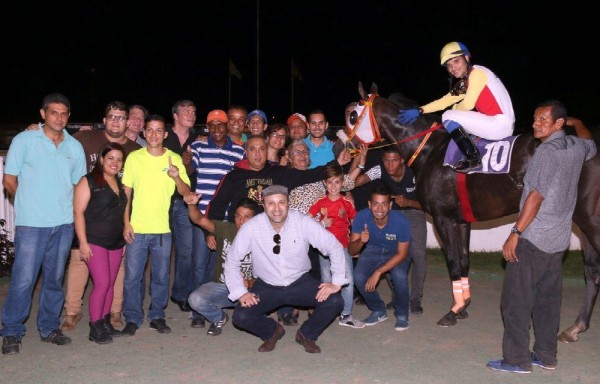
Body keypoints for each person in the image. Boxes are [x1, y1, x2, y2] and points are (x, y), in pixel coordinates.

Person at [486, 100, 596, 374]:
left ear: (557, 123)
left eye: (543, 120)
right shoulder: (575, 147)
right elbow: (588, 139)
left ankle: (516, 360)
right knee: (548, 301)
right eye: (535, 119)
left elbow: (536, 196)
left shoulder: (547, 152)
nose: (535, 124)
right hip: (558, 242)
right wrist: (575, 122)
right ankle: (546, 356)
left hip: (533, 239)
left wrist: (515, 233)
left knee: (515, 302)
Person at [1, 93, 86, 355]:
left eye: (63, 113)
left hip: (63, 225)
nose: (59, 118)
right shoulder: (24, 140)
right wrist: (27, 203)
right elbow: (9, 180)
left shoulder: (74, 147)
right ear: (42, 114)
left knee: (54, 279)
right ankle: (12, 330)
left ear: (68, 117)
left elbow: (78, 186)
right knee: (24, 279)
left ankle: (49, 327)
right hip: (31, 225)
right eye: (53, 112)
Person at [224, 185, 347, 353]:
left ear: (288, 203)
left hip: (300, 282)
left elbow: (334, 246)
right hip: (267, 285)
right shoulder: (252, 227)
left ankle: (306, 334)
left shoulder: (302, 222)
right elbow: (232, 259)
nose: (276, 209)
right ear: (264, 205)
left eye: (281, 202)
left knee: (335, 301)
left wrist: (337, 282)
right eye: (271, 203)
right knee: (241, 316)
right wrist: (239, 291)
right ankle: (272, 331)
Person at [62, 101, 141, 332]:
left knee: (116, 270)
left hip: (116, 218)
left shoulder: (135, 150)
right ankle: (72, 312)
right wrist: (34, 128)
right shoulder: (86, 138)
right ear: (104, 120)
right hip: (88, 216)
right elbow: (58, 137)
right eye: (112, 117)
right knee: (79, 264)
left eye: (121, 117)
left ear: (127, 122)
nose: (116, 121)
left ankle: (113, 312)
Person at [121, 114, 191, 336]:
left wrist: (176, 176)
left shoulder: (173, 159)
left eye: (158, 130)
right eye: (149, 130)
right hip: (137, 228)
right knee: (133, 276)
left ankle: (157, 315)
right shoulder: (134, 157)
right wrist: (126, 223)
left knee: (161, 276)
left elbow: (185, 192)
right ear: (144, 132)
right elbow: (127, 193)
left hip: (162, 229)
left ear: (165, 134)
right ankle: (132, 317)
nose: (153, 134)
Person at [397, 41, 515, 172]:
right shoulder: (467, 80)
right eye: (449, 65)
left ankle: (473, 157)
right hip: (497, 123)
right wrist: (421, 110)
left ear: (467, 57)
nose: (453, 68)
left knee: (448, 116)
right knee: (451, 116)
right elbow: (446, 100)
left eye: (456, 61)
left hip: (500, 125)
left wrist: (453, 111)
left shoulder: (478, 73)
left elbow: (468, 105)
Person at [186, 109, 245, 327]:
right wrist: (186, 160)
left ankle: (213, 305)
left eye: (222, 124)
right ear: (207, 128)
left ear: (227, 126)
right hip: (201, 215)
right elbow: (190, 168)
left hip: (225, 217)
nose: (218, 129)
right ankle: (197, 312)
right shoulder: (200, 146)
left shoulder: (239, 151)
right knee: (199, 263)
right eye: (213, 125)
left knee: (218, 264)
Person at [206, 135, 351, 222]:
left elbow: (312, 174)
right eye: (252, 149)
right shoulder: (233, 176)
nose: (257, 154)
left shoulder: (279, 173)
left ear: (267, 151)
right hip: (239, 231)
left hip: (270, 234)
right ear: (246, 152)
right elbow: (217, 205)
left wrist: (337, 163)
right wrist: (211, 232)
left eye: (262, 149)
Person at [354, 147, 427, 314]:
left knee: (418, 254)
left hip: (414, 211)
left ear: (402, 160)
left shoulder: (415, 171)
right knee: (389, 251)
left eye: (394, 160)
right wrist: (359, 163)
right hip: (392, 212)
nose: (389, 164)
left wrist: (409, 202)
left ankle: (415, 298)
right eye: (386, 160)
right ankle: (397, 296)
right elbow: (356, 182)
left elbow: (430, 205)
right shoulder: (379, 169)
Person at [73, 143, 127, 344]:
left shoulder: (119, 183)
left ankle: (104, 321)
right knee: (102, 283)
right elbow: (78, 213)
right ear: (101, 159)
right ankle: (94, 326)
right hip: (94, 241)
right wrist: (83, 243)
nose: (115, 162)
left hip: (115, 241)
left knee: (110, 284)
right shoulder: (88, 181)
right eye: (110, 158)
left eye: (119, 159)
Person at [185, 194, 259, 336]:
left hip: (251, 290)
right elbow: (198, 219)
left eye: (247, 217)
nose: (241, 221)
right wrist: (191, 205)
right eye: (238, 216)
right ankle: (219, 317)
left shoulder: (262, 238)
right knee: (194, 299)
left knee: (248, 316)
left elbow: (269, 277)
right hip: (223, 286)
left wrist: (249, 282)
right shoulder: (226, 229)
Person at [308, 163, 364, 329]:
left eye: (337, 182)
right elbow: (306, 222)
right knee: (326, 280)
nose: (333, 186)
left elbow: (356, 223)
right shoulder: (320, 202)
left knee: (347, 280)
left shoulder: (347, 202)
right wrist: (321, 223)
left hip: (343, 248)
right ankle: (326, 310)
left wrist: (356, 246)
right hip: (324, 249)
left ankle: (346, 314)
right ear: (325, 183)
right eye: (330, 182)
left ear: (342, 183)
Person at [348, 184, 411, 331]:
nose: (380, 209)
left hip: (396, 251)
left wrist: (378, 272)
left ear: (390, 205)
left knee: (399, 275)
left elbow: (402, 253)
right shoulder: (361, 217)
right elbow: (351, 251)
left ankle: (402, 314)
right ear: (370, 204)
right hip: (373, 249)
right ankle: (378, 310)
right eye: (376, 204)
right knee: (358, 275)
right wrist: (361, 241)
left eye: (384, 204)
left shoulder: (401, 221)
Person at [163, 100, 202, 319]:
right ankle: (156, 294)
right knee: (160, 251)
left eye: (194, 111)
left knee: (185, 252)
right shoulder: (163, 135)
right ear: (175, 115)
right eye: (186, 111)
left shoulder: (199, 139)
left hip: (186, 201)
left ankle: (180, 293)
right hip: (161, 201)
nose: (191, 114)